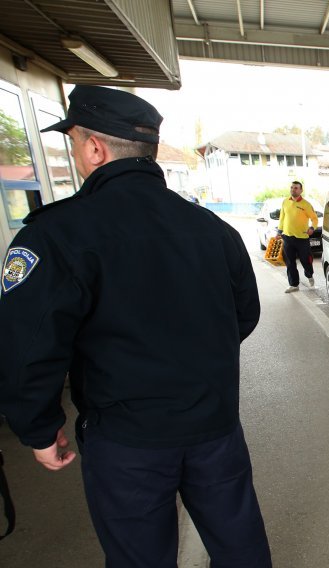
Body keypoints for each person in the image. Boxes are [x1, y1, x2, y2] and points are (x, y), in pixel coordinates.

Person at [0, 86, 271, 567]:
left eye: (75, 142)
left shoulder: (57, 233)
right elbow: (243, 315)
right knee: (240, 546)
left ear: (94, 148)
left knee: (140, 558)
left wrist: (39, 428)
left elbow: (28, 343)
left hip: (127, 441)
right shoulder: (213, 229)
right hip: (215, 428)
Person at [278, 180, 318, 293]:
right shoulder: (285, 202)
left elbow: (314, 219)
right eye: (291, 187)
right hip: (287, 237)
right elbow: (282, 218)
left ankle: (309, 276)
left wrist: (312, 228)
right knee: (290, 262)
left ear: (301, 190)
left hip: (302, 238)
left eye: (296, 188)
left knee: (306, 261)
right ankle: (294, 284)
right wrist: (279, 231)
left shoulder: (306, 204)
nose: (293, 189)